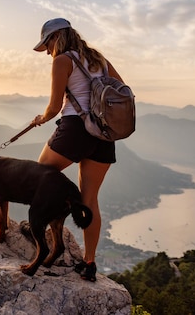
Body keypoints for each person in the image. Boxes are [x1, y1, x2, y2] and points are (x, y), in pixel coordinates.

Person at [30, 18, 126, 282]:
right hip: (104, 133)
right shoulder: (99, 60)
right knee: (90, 199)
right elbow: (122, 90)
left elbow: (53, 108)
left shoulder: (62, 61)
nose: (48, 51)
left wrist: (40, 119)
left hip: (76, 128)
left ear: (57, 37)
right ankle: (89, 263)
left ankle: (42, 231)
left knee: (38, 174)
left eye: (47, 44)